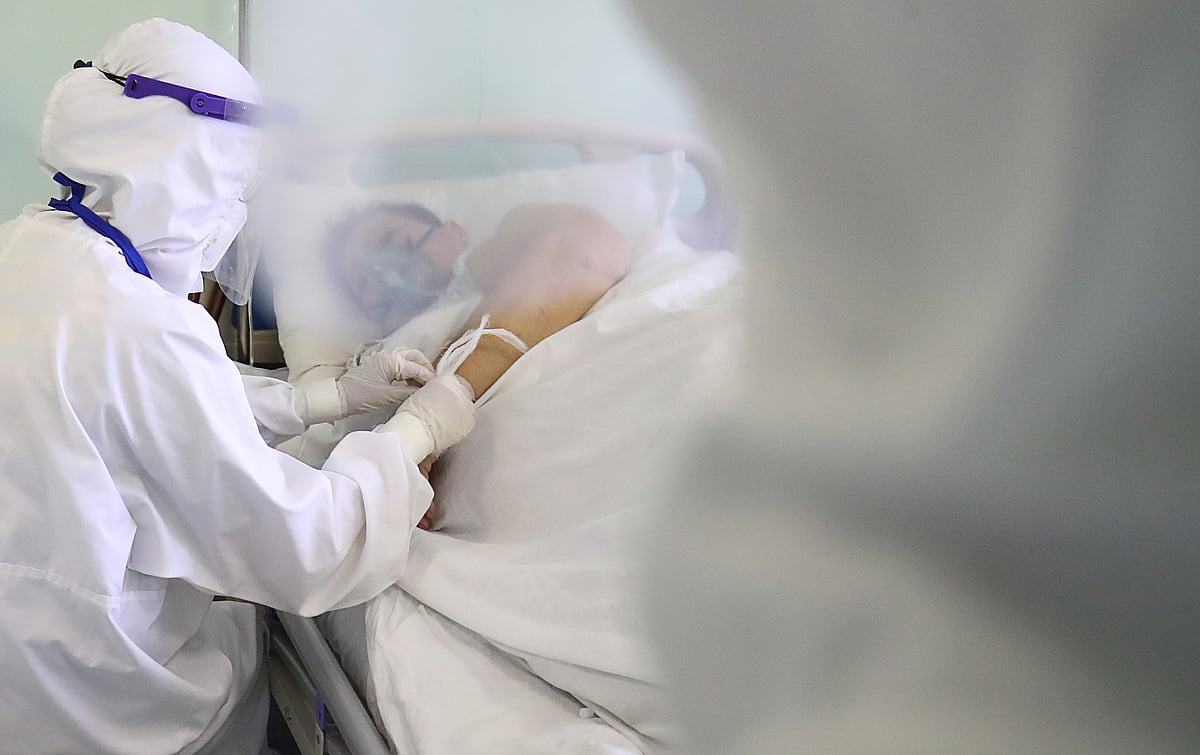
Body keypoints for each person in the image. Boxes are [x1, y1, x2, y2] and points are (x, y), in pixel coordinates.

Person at [0, 19, 478, 754]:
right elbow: (305, 547)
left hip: (27, 665)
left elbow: (145, 404)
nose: (233, 217)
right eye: (227, 184)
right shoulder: (136, 326)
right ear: (174, 168)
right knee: (243, 644)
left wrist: (326, 398)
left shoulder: (27, 248)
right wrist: (413, 433)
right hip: (91, 702)